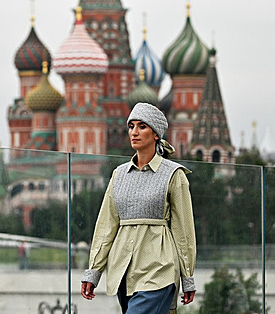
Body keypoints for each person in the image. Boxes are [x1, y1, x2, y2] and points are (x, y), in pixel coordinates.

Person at [81, 102, 196, 314]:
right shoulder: (119, 174)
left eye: (142, 126)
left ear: (155, 134)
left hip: (159, 268)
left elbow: (184, 231)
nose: (134, 132)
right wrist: (93, 271)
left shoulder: (174, 174)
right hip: (123, 268)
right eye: (131, 126)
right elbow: (106, 226)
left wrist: (187, 277)